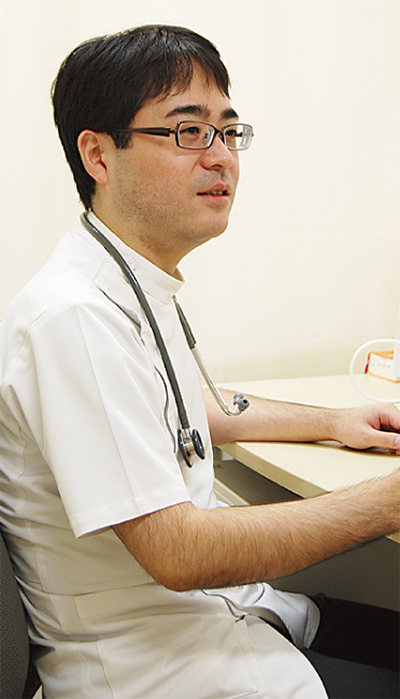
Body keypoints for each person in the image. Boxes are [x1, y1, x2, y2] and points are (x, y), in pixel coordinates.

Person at [0, 24, 399, 699]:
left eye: (228, 131)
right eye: (188, 131)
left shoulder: (125, 280)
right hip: (159, 669)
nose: (221, 157)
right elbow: (177, 552)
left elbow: (187, 409)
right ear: (98, 155)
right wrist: (386, 503)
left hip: (228, 619)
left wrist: (335, 421)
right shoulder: (74, 316)